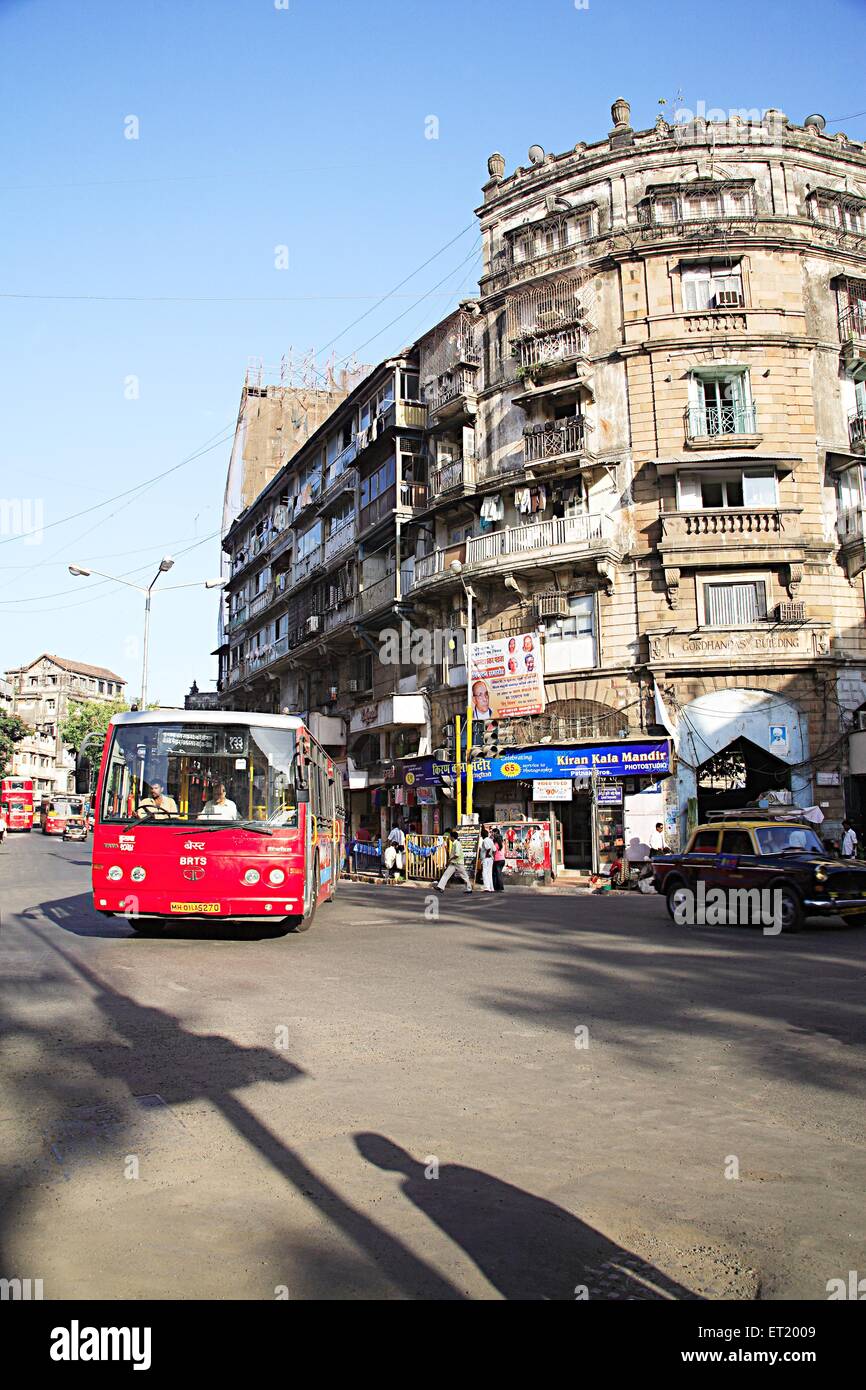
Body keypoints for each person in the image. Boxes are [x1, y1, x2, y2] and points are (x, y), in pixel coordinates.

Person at [436, 830, 473, 894]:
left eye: (450, 837)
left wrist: (450, 859)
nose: (449, 838)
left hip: (458, 863)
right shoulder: (454, 843)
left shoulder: (457, 844)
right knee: (446, 874)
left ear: (453, 837)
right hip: (454, 863)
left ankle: (469, 889)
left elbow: (457, 854)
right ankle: (440, 887)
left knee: (464, 876)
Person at [480, 825, 496, 892]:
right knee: (489, 873)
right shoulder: (490, 840)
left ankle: (487, 887)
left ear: (482, 835)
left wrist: (487, 856)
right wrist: (492, 856)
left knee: (485, 873)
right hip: (490, 859)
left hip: (486, 859)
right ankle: (491, 888)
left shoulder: (485, 840)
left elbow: (488, 848)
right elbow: (494, 850)